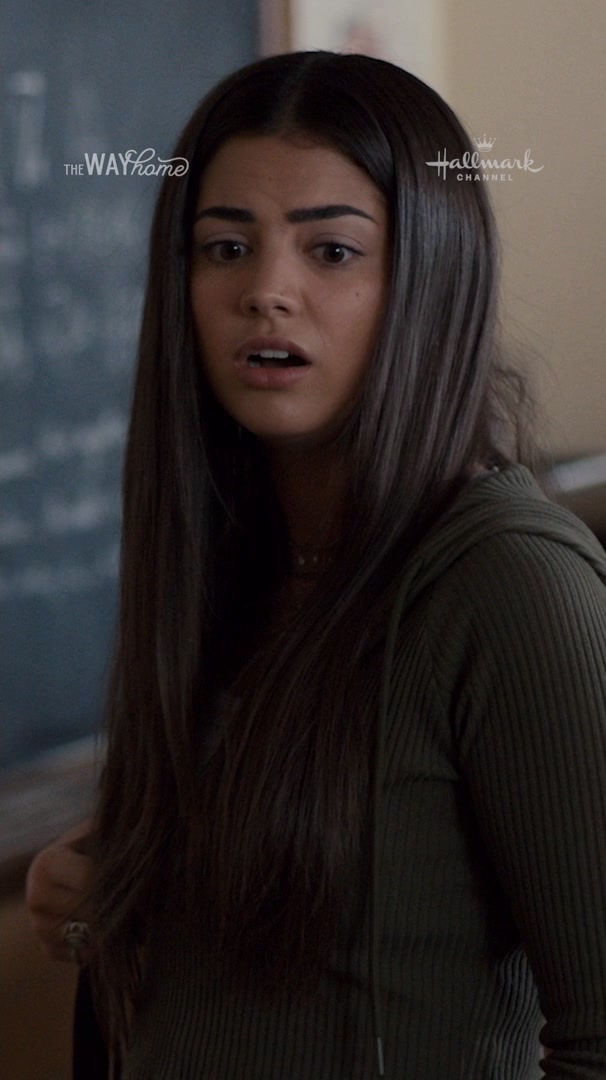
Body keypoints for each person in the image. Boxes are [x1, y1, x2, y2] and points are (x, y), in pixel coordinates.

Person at [26, 51, 606, 1079]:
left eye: (331, 251)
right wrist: (116, 897)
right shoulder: (225, 560)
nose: (267, 293)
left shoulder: (509, 584)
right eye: (227, 247)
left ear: (431, 279)